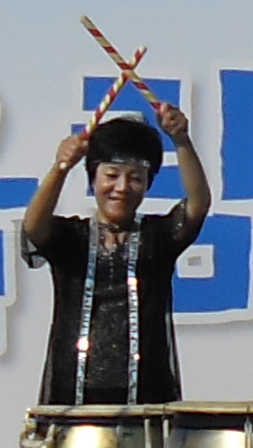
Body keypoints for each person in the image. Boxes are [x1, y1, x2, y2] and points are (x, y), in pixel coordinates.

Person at [23, 100, 208, 405]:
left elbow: (198, 205)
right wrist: (60, 168)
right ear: (93, 178)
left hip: (147, 399)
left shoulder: (157, 237)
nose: (121, 187)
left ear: (147, 185)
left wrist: (181, 141)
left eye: (135, 178)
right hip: (72, 399)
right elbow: (33, 227)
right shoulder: (72, 238)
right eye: (111, 175)